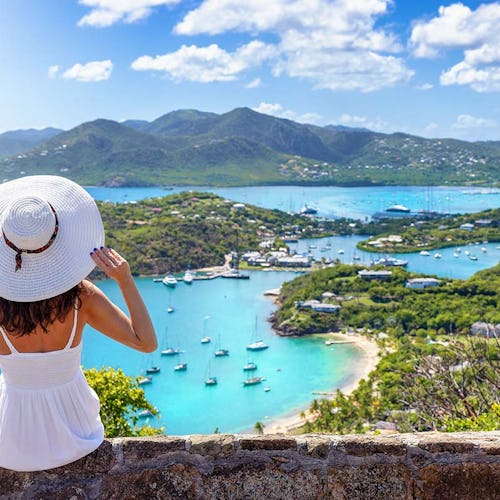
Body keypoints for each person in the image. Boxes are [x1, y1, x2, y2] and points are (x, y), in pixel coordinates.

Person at [0, 175, 157, 472]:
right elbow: (146, 343)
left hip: (11, 442)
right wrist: (124, 280)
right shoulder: (81, 298)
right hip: (77, 436)